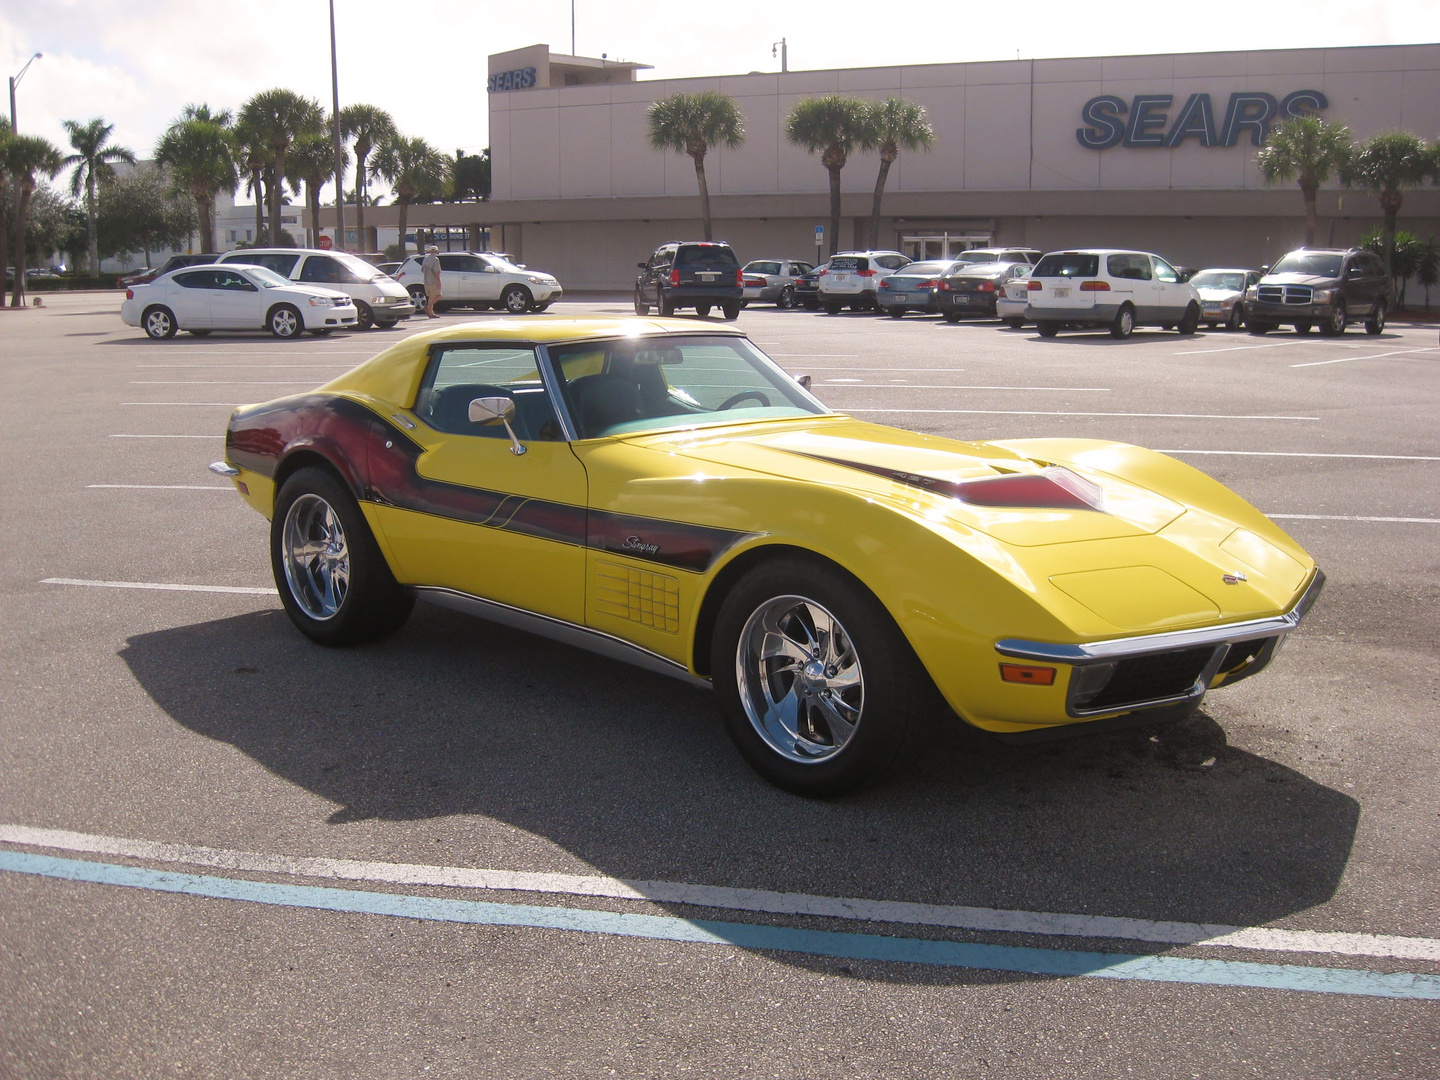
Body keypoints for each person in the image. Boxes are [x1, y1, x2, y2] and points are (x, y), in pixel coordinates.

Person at [421, 244, 442, 317]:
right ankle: (428, 306)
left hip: (426, 281)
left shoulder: (425, 259)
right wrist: (439, 282)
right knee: (439, 296)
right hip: (433, 282)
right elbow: (436, 273)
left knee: (431, 296)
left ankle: (431, 313)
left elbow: (423, 270)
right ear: (437, 251)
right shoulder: (435, 260)